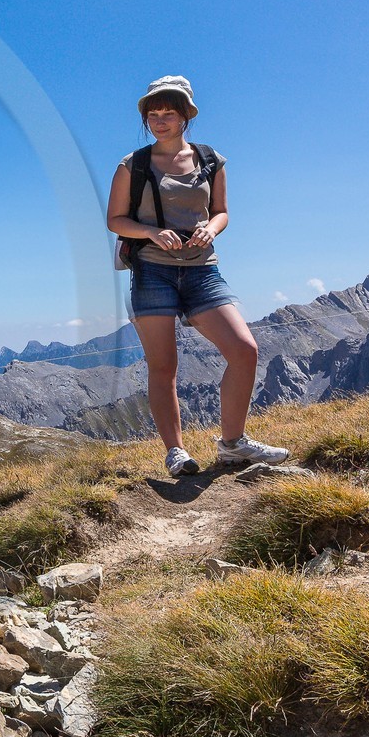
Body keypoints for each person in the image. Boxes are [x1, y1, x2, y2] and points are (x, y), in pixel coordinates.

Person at [106, 76, 290, 478]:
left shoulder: (210, 160)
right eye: (152, 115)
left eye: (168, 114)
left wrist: (212, 228)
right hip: (152, 270)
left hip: (203, 269)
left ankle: (232, 444)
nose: (159, 121)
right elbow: (115, 220)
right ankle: (176, 452)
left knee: (244, 349)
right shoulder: (132, 165)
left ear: (186, 115)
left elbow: (221, 211)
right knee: (163, 366)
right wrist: (153, 231)